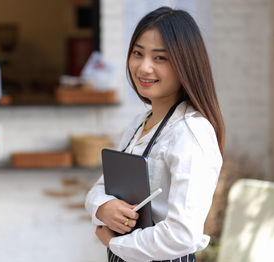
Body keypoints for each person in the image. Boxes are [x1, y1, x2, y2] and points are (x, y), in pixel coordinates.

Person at [85, 6, 225, 262]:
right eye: (138, 53)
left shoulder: (191, 132)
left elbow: (183, 235)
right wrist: (103, 207)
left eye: (160, 58)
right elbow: (101, 187)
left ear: (186, 64)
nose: (144, 67)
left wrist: (118, 243)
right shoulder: (140, 122)